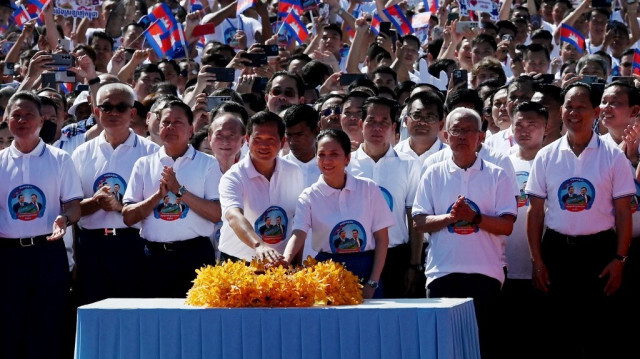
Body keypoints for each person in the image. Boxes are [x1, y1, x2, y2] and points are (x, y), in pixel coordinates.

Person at [526, 83, 635, 358]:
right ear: (561, 111)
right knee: (558, 335)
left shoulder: (614, 157)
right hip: (556, 252)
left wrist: (620, 259)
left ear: (596, 112)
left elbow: (623, 212)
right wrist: (537, 261)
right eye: (569, 107)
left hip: (599, 252)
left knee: (599, 334)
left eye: (581, 107)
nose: (574, 113)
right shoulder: (546, 156)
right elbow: (535, 212)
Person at [412, 108, 517, 359]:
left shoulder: (497, 175)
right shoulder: (433, 173)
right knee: (443, 347)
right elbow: (419, 220)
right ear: (446, 135)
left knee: (482, 346)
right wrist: (450, 218)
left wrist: (474, 218)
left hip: (486, 274)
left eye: (468, 130)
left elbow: (507, 225)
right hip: (442, 273)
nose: (461, 136)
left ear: (480, 136)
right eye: (456, 131)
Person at [0, 91, 82, 359]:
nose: (22, 120)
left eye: (29, 115)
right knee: (9, 330)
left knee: (47, 329)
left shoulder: (60, 159)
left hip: (47, 253)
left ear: (42, 120)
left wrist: (65, 218)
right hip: (7, 256)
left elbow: (74, 205)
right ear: (6, 118)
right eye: (16, 115)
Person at [122, 100, 223, 298]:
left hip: (195, 254)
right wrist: (157, 196)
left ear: (191, 129)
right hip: (154, 257)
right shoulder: (144, 164)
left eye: (178, 122)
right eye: (166, 122)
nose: (170, 127)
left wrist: (179, 190)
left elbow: (216, 213)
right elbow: (128, 217)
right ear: (158, 128)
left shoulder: (208, 164)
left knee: (197, 320)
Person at [71, 83, 159, 305]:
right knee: (93, 315)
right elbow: (70, 209)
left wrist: (121, 206)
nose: (113, 113)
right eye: (107, 107)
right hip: (92, 246)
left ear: (132, 113)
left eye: (121, 107)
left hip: (135, 246)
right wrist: (95, 202)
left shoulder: (152, 153)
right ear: (97, 111)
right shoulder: (81, 153)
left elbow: (159, 206)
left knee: (134, 316)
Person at [283, 129, 394, 299]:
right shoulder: (309, 195)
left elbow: (382, 239)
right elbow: (298, 233)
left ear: (347, 158)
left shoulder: (369, 189)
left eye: (334, 154)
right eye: (321, 155)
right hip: (327, 272)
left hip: (366, 268)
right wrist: (285, 260)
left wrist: (373, 282)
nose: (327, 160)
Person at [349, 96, 421, 298]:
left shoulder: (408, 164)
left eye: (384, 123)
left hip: (395, 256)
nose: (377, 128)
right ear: (361, 124)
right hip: (356, 254)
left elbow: (413, 217)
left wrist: (414, 264)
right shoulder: (346, 164)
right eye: (371, 121)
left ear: (394, 128)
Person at [218, 111, 304, 262]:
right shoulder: (233, 177)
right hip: (240, 263)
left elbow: (298, 220)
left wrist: (295, 261)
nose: (264, 145)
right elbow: (233, 216)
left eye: (271, 139)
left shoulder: (294, 171)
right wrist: (259, 245)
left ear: (282, 142)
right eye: (257, 139)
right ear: (247, 140)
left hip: (281, 263)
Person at [504, 102, 550, 359]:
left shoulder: (554, 159)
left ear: (546, 128)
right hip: (505, 264)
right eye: (518, 124)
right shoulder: (500, 162)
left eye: (531, 125)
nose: (524, 130)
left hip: (543, 264)